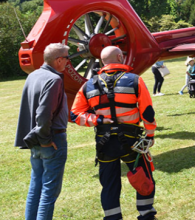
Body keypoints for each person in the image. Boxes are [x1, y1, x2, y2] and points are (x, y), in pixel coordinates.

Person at [70, 46, 157, 220]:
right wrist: (150, 135)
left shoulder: (89, 85)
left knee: (109, 183)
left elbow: (75, 115)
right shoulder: (135, 80)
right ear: (119, 57)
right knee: (143, 176)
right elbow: (147, 112)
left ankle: (112, 217)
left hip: (105, 142)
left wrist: (98, 120)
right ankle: (146, 214)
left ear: (103, 62)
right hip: (132, 141)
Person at [15, 43, 70, 220]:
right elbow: (44, 113)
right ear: (59, 60)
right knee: (49, 192)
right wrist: (46, 140)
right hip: (50, 139)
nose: (68, 63)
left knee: (35, 186)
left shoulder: (33, 75)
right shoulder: (54, 79)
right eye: (67, 58)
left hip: (36, 140)